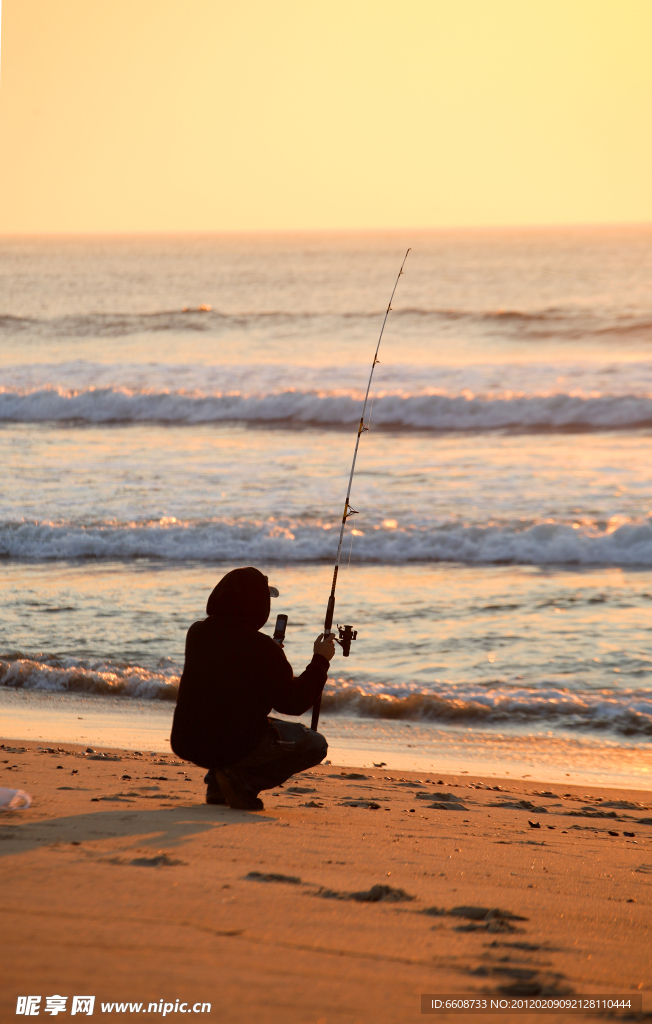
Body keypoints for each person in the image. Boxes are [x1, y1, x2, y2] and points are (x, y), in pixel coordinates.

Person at [170, 566, 335, 810]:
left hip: (188, 742)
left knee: (223, 716)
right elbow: (293, 703)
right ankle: (243, 782)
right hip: (232, 744)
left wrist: (270, 658)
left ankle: (218, 785)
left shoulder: (198, 633)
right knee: (315, 745)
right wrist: (320, 661)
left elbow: (230, 677)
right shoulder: (262, 648)